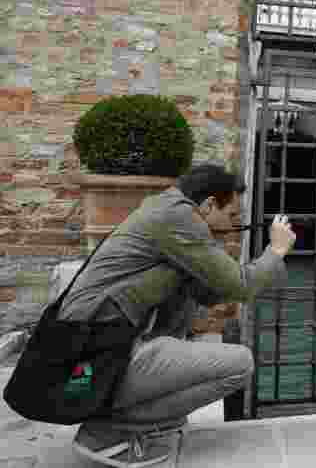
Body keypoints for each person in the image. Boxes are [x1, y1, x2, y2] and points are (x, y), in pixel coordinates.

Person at [58, 163, 297, 467]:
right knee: (240, 364)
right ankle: (105, 431)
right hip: (98, 356)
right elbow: (240, 285)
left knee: (183, 384)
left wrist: (250, 262)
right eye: (232, 216)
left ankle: (125, 417)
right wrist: (275, 252)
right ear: (209, 204)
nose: (234, 224)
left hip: (98, 349)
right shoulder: (178, 217)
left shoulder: (166, 211)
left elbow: (211, 293)